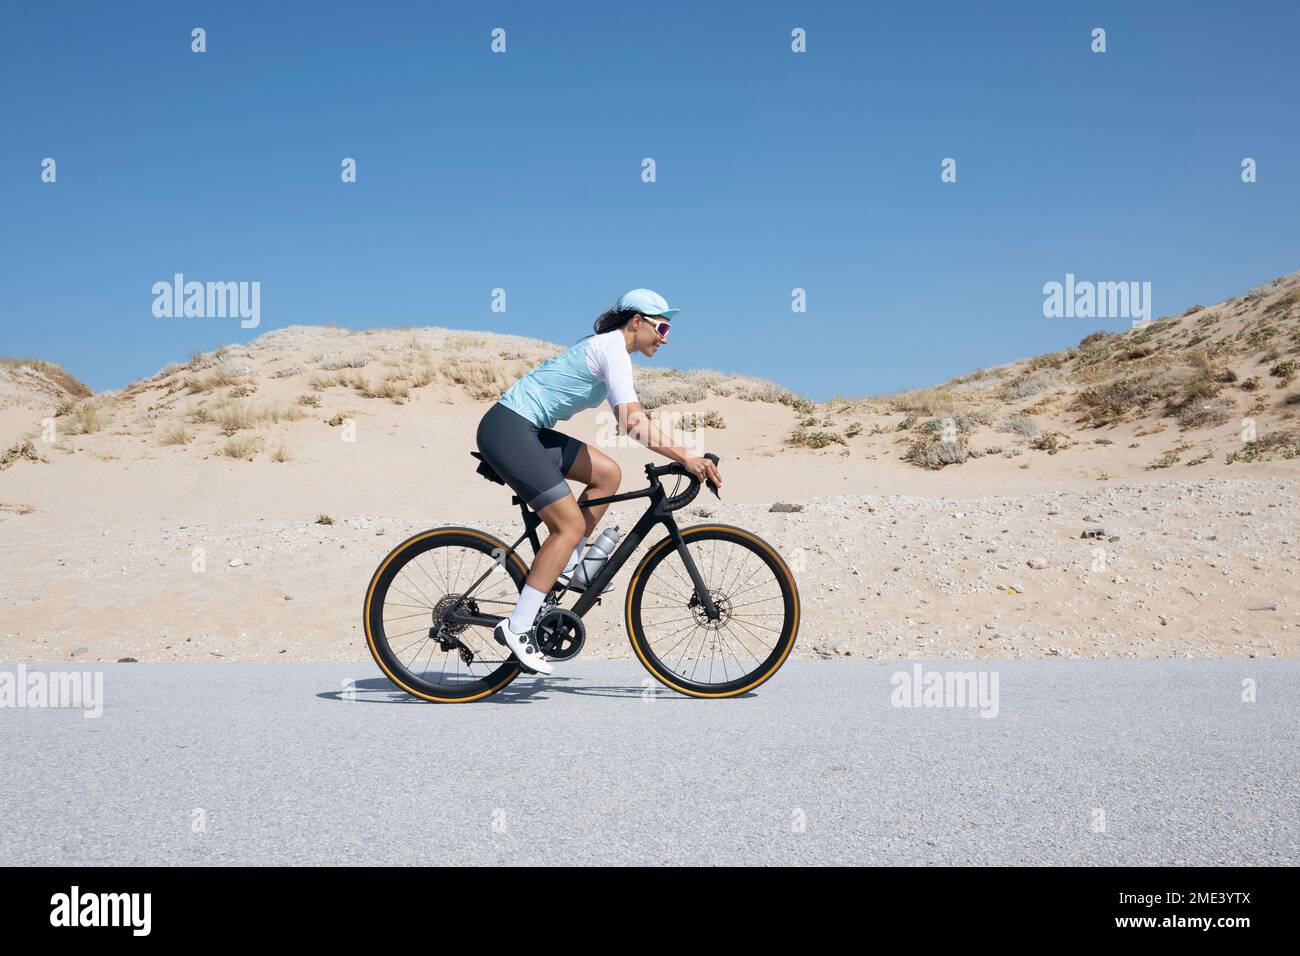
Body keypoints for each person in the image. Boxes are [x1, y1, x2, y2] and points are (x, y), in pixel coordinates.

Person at [474, 288, 723, 675]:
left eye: (669, 328)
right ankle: (518, 626)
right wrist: (687, 457)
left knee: (608, 474)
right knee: (569, 524)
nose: (665, 336)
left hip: (528, 431)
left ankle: (571, 566)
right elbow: (633, 422)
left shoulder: (612, 351)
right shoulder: (611, 349)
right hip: (507, 429)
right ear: (636, 321)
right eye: (661, 326)